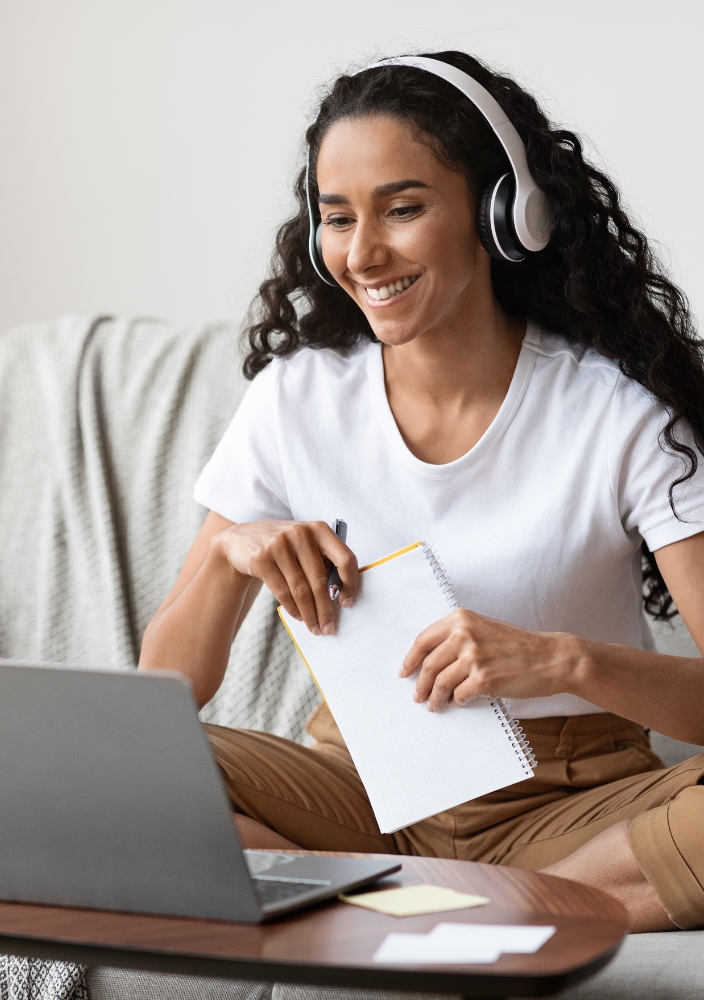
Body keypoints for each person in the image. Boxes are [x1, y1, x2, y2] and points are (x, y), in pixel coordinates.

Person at [140, 51, 704, 934]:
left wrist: (561, 661)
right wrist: (228, 551)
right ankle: (463, 908)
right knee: (120, 774)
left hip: (568, 801)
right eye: (337, 219)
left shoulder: (616, 413)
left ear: (503, 216)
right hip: (357, 784)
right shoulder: (298, 396)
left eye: (403, 209)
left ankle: (391, 907)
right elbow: (162, 690)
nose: (363, 253)